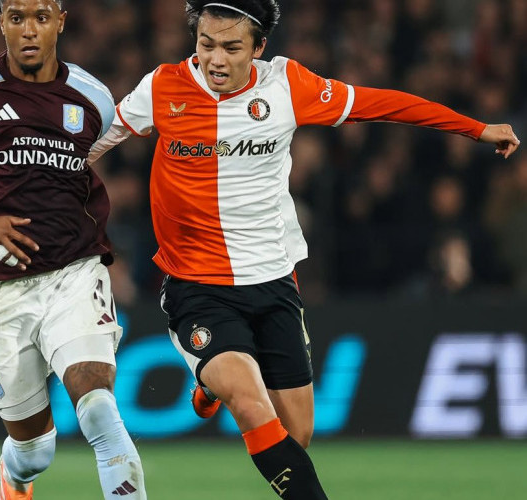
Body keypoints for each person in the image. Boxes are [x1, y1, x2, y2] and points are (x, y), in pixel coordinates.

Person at [88, 1, 521, 499]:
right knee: (250, 403)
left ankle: (209, 384)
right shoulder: (163, 87)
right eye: (206, 44)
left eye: (231, 47)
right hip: (198, 285)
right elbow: (88, 147)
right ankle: (222, 381)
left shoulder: (287, 86)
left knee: (297, 434)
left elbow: (381, 104)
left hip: (273, 281)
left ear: (259, 48)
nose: (216, 59)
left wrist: (475, 128)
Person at [0, 1, 147, 499]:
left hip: (73, 272)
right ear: (1, 24)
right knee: (35, 449)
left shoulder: (93, 97)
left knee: (100, 410)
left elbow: (82, 165)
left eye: (41, 16)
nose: (29, 30)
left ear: (61, 20)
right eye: (16, 18)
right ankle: (14, 474)